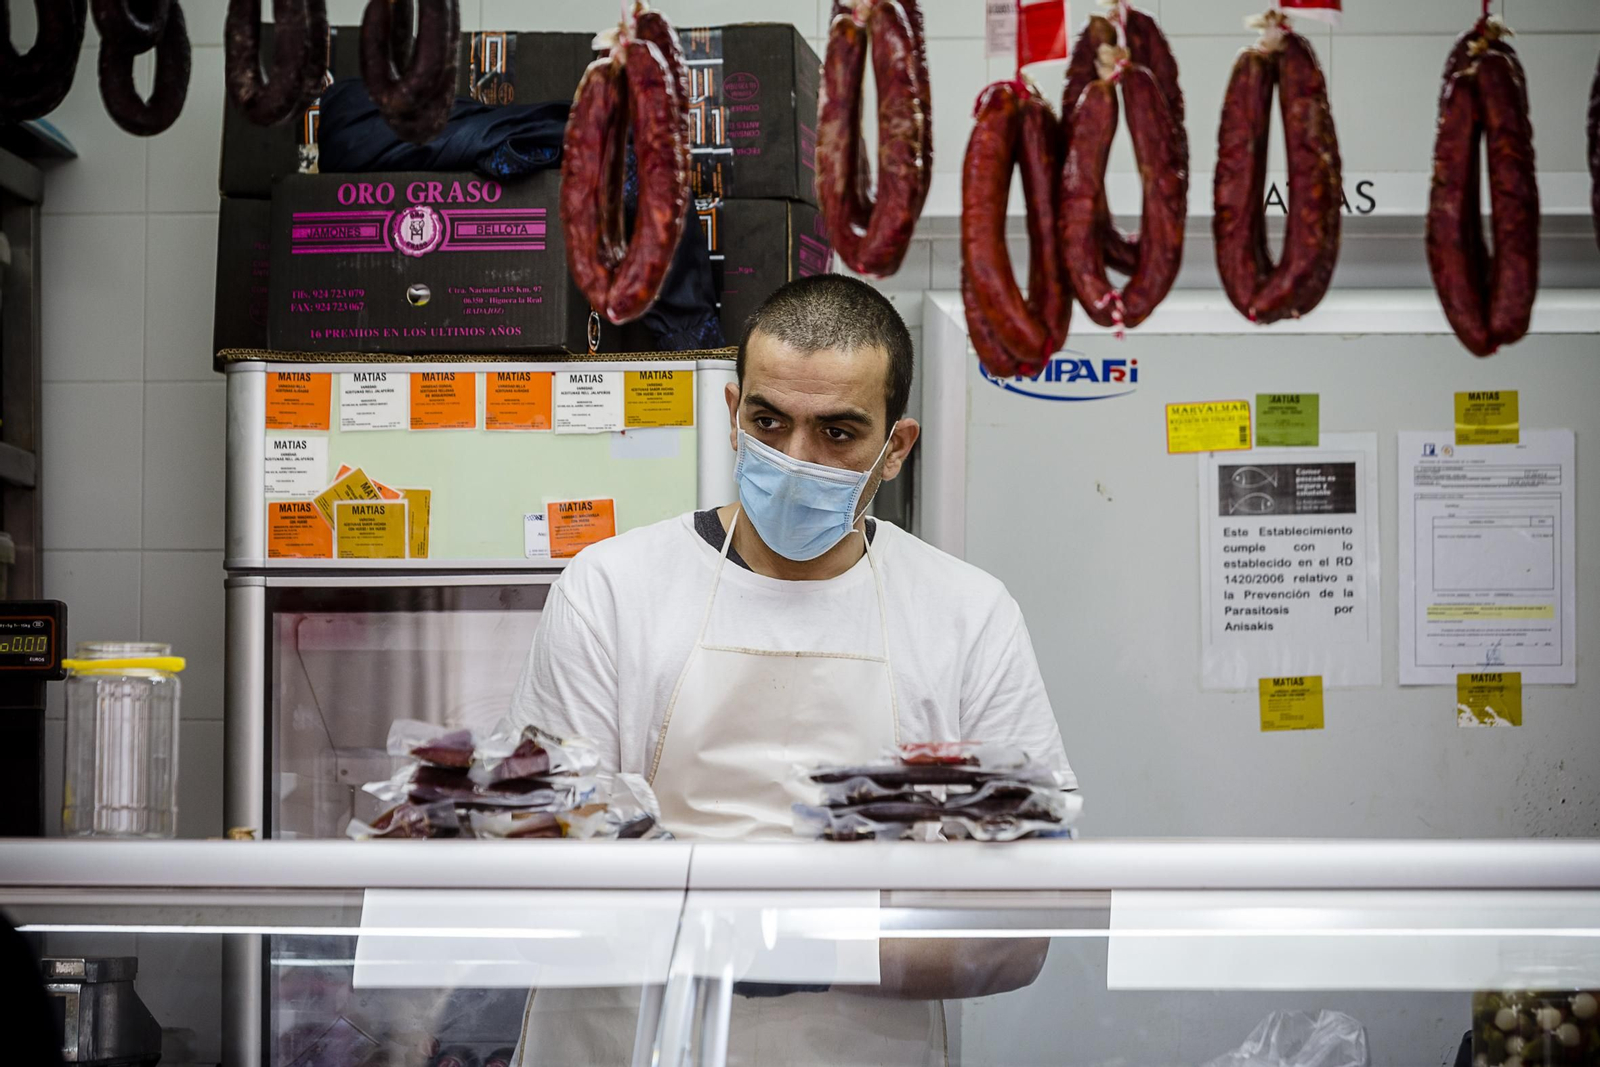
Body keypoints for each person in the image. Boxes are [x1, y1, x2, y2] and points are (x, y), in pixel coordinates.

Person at [508, 273, 1074, 1066]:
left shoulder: (966, 615)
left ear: (896, 446)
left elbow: (1019, 930)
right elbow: (537, 872)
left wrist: (794, 946)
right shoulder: (611, 590)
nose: (795, 457)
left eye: (837, 432)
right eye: (769, 423)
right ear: (733, 413)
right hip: (621, 1041)